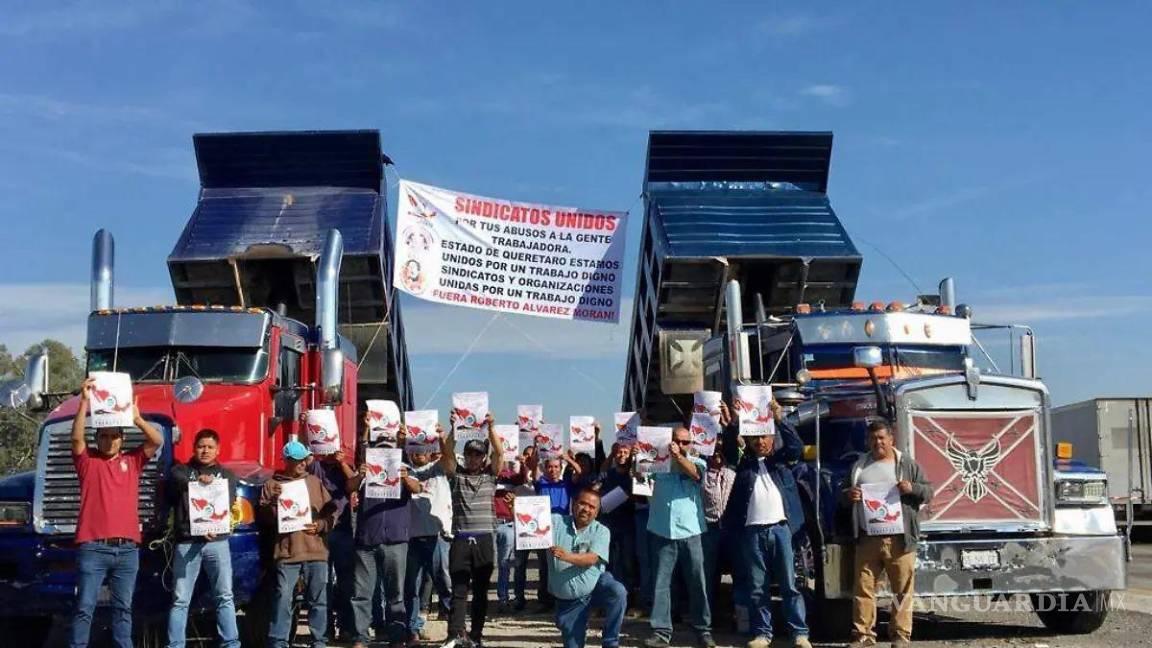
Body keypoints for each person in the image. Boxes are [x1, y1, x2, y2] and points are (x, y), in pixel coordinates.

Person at [70, 377, 163, 648]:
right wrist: (84, 402)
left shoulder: (132, 461)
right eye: (104, 436)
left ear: (122, 439)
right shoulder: (87, 462)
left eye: (114, 436)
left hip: (127, 550)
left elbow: (156, 441)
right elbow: (76, 438)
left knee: (123, 610)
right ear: (97, 438)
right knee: (84, 607)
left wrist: (137, 419)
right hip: (93, 547)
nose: (109, 441)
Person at [723, 400, 811, 648]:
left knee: (790, 585)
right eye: (755, 438)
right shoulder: (744, 464)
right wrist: (735, 423)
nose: (760, 441)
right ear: (749, 440)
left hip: (781, 530)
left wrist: (780, 419)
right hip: (752, 532)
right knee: (757, 586)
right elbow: (729, 450)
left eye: (764, 437)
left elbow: (796, 447)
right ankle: (762, 633)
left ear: (772, 438)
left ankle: (799, 633)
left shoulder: (781, 461)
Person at [843, 420, 933, 648]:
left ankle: (900, 635)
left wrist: (912, 488)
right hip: (867, 538)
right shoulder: (859, 466)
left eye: (882, 438)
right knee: (863, 588)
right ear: (868, 441)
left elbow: (928, 492)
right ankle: (863, 635)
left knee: (902, 590)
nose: (878, 442)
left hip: (900, 539)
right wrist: (849, 495)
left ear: (891, 439)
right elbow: (842, 496)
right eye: (873, 438)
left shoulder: (906, 464)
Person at [346, 430, 424, 648]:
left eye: (388, 449)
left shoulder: (405, 469)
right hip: (366, 540)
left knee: (395, 593)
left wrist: (404, 477)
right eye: (380, 449)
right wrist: (360, 475)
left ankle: (397, 638)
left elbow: (417, 488)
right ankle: (360, 638)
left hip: (396, 540)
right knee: (361, 593)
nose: (383, 453)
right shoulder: (365, 470)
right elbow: (349, 487)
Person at [260, 440, 339, 648]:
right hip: (287, 553)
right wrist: (273, 502)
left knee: (318, 600)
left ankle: (319, 641)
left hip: (316, 552)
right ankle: (278, 641)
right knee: (283, 599)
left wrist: (321, 525)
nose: (303, 464)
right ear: (286, 461)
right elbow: (266, 520)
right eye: (297, 460)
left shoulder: (314, 482)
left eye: (304, 459)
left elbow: (332, 513)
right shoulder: (271, 485)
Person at [167, 429, 240, 648]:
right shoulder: (180, 471)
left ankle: (231, 643)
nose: (205, 450)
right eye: (201, 446)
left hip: (217, 543)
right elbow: (177, 480)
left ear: (218, 450)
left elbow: (227, 503)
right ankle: (175, 645)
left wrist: (211, 526)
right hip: (187, 543)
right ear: (194, 448)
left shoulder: (227, 476)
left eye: (210, 447)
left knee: (225, 596)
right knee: (180, 600)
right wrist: (197, 481)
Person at [644, 426, 714, 648]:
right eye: (677, 441)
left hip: (690, 531)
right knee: (661, 584)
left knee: (697, 582)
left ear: (690, 444)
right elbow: (640, 477)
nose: (681, 445)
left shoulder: (698, 461)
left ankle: (703, 630)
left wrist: (678, 457)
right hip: (662, 530)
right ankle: (661, 632)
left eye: (685, 442)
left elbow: (695, 474)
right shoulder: (658, 463)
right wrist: (639, 459)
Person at [437, 415, 504, 648]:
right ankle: (455, 634)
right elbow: (446, 454)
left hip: (485, 539)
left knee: (481, 592)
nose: (473, 458)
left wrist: (491, 428)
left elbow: (500, 454)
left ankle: (476, 635)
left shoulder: (490, 476)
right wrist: (454, 428)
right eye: (470, 454)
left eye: (478, 454)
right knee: (459, 590)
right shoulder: (456, 476)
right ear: (464, 456)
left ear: (483, 457)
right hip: (461, 540)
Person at [549, 489, 628, 648]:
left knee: (617, 591)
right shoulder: (555, 522)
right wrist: (515, 508)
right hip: (570, 601)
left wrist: (566, 556)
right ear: (573, 504)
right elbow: (531, 524)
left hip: (596, 586)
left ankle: (610, 642)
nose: (586, 509)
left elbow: (591, 559)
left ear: (597, 512)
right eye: (582, 503)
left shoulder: (602, 531)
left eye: (592, 507)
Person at [406, 429, 454, 643]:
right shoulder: (403, 470)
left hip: (438, 535)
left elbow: (449, 457)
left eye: (423, 449)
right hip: (411, 536)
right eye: (414, 449)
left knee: (444, 582)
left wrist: (442, 437)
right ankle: (413, 630)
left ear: (429, 451)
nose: (419, 453)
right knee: (412, 586)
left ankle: (455, 626)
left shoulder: (438, 468)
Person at [526, 449, 584, 608]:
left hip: (562, 527)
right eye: (550, 467)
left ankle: (562, 597)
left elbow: (579, 472)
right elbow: (533, 467)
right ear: (545, 468)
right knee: (545, 565)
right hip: (543, 527)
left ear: (561, 468)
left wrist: (568, 459)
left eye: (556, 467)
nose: (553, 470)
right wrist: (537, 447)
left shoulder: (566, 483)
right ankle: (545, 600)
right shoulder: (541, 483)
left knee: (562, 563)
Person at [309, 444, 356, 642]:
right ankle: (325, 629)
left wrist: (342, 463)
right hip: (319, 532)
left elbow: (355, 484)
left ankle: (346, 627)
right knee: (322, 583)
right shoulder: (315, 465)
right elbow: (305, 458)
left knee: (346, 582)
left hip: (342, 530)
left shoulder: (345, 466)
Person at [700, 432, 738, 615]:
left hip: (731, 528)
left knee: (738, 572)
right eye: (714, 449)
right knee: (709, 575)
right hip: (710, 528)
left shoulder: (733, 474)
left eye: (721, 449)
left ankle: (737, 613)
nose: (717, 453)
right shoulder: (701, 475)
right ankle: (709, 615)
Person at [597, 443, 637, 610]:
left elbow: (640, 495)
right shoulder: (608, 474)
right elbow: (597, 485)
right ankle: (605, 600)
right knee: (608, 563)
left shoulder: (633, 475)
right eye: (619, 452)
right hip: (608, 523)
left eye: (625, 452)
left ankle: (629, 600)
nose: (622, 455)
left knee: (628, 563)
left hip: (627, 523)